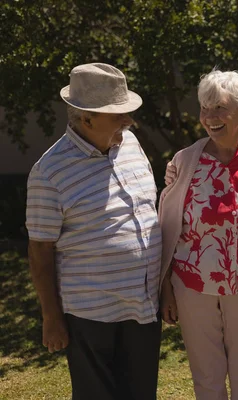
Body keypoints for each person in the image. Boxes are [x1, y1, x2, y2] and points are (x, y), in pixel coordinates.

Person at [25, 63, 162, 400]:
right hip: (91, 313)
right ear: (86, 119)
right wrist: (51, 317)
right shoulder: (49, 172)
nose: (128, 121)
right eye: (119, 115)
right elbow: (40, 252)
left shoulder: (130, 143)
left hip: (143, 306)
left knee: (140, 394)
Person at [159, 69, 238, 400]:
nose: (210, 117)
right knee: (206, 379)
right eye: (204, 108)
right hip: (192, 285)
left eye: (220, 108)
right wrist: (167, 287)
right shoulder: (185, 161)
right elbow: (168, 227)